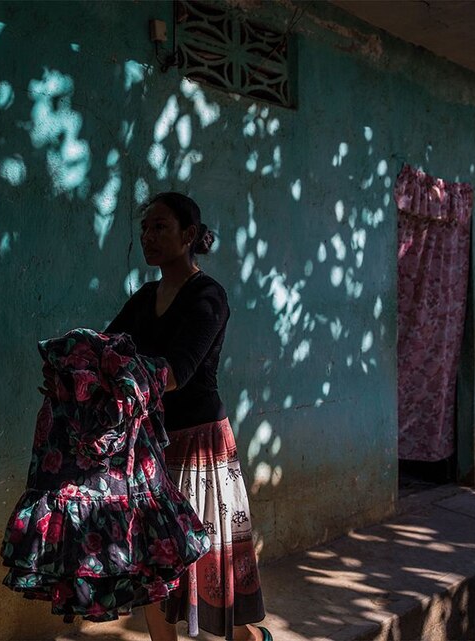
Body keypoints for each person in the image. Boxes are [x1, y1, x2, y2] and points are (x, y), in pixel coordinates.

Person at [105, 192, 271, 641]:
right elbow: (107, 349)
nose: (148, 236)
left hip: (198, 446)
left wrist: (125, 375)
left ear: (189, 235)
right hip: (151, 446)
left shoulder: (209, 297)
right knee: (152, 561)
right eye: (145, 228)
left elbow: (178, 370)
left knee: (200, 563)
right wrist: (76, 366)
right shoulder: (143, 299)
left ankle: (252, 639)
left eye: (160, 226)